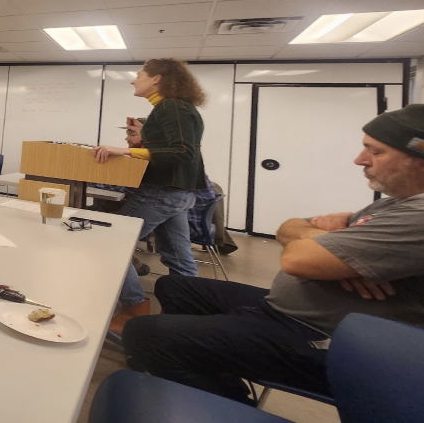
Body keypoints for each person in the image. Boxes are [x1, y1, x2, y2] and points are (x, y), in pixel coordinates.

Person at [122, 104, 424, 404]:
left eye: (376, 152)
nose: (360, 160)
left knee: (143, 333)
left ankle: (229, 403)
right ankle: (198, 361)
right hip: (286, 310)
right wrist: (334, 245)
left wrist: (331, 245)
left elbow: (296, 260)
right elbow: (287, 228)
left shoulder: (418, 214)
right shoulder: (392, 204)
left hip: (326, 338)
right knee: (173, 286)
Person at [94, 58, 206, 334]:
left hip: (162, 193)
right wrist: (143, 139)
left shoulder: (171, 106)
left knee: (109, 240)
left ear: (157, 78)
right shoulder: (172, 108)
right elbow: (174, 150)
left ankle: (133, 309)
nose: (134, 79)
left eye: (139, 75)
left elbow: (182, 153)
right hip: (177, 193)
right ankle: (182, 312)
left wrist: (127, 151)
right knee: (178, 257)